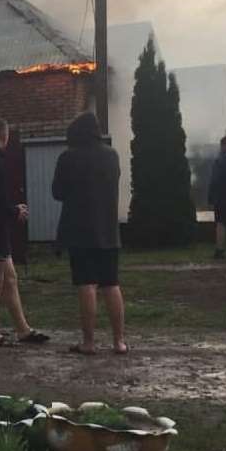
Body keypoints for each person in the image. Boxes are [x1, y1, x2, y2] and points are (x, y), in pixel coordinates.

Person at [0, 117, 50, 347]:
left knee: (11, 279)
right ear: (5, 137)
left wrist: (12, 210)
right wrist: (15, 210)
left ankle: (23, 329)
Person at [52, 112, 128, 356]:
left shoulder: (68, 158)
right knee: (111, 284)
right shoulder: (112, 155)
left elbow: (58, 192)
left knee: (87, 285)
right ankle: (119, 342)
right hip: (108, 230)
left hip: (80, 232)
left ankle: (89, 342)